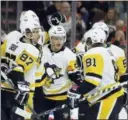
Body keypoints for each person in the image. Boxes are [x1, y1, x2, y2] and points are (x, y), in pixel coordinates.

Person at [67, 28, 126, 120]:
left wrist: (77, 92)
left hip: (107, 98)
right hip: (110, 97)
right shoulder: (108, 52)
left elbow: (93, 81)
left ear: (89, 41)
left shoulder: (93, 53)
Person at [33, 25, 82, 120]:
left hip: (62, 97)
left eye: (61, 38)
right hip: (43, 95)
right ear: (50, 38)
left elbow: (74, 75)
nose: (59, 41)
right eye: (56, 38)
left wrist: (77, 80)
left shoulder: (69, 55)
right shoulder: (42, 51)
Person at [1, 18, 41, 120]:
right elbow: (18, 71)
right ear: (27, 32)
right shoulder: (32, 50)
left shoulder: (11, 40)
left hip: (4, 90)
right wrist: (22, 89)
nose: (38, 34)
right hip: (21, 94)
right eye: (35, 31)